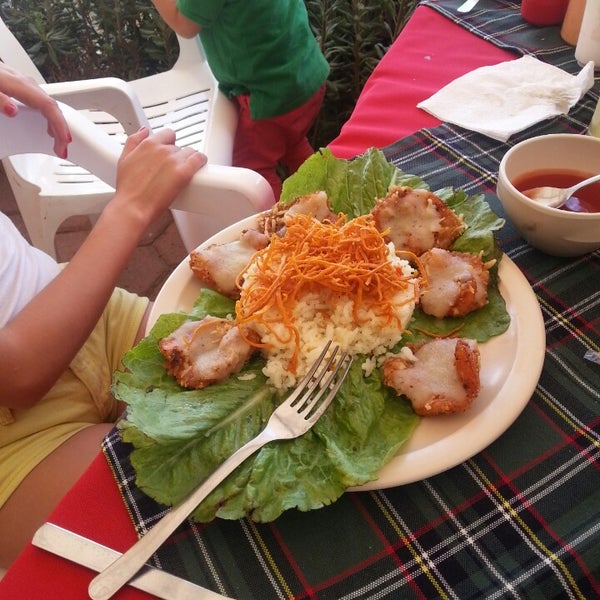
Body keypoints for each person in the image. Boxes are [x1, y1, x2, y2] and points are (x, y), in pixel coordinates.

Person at [0, 63, 207, 568]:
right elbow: (20, 374)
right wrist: (131, 207)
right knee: (195, 523)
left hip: (79, 310)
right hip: (16, 434)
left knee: (258, 386)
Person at [150, 0, 330, 198]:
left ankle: (281, 226)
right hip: (304, 74)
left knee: (252, 173)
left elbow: (183, 23)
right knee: (289, 142)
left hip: (266, 97)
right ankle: (329, 198)